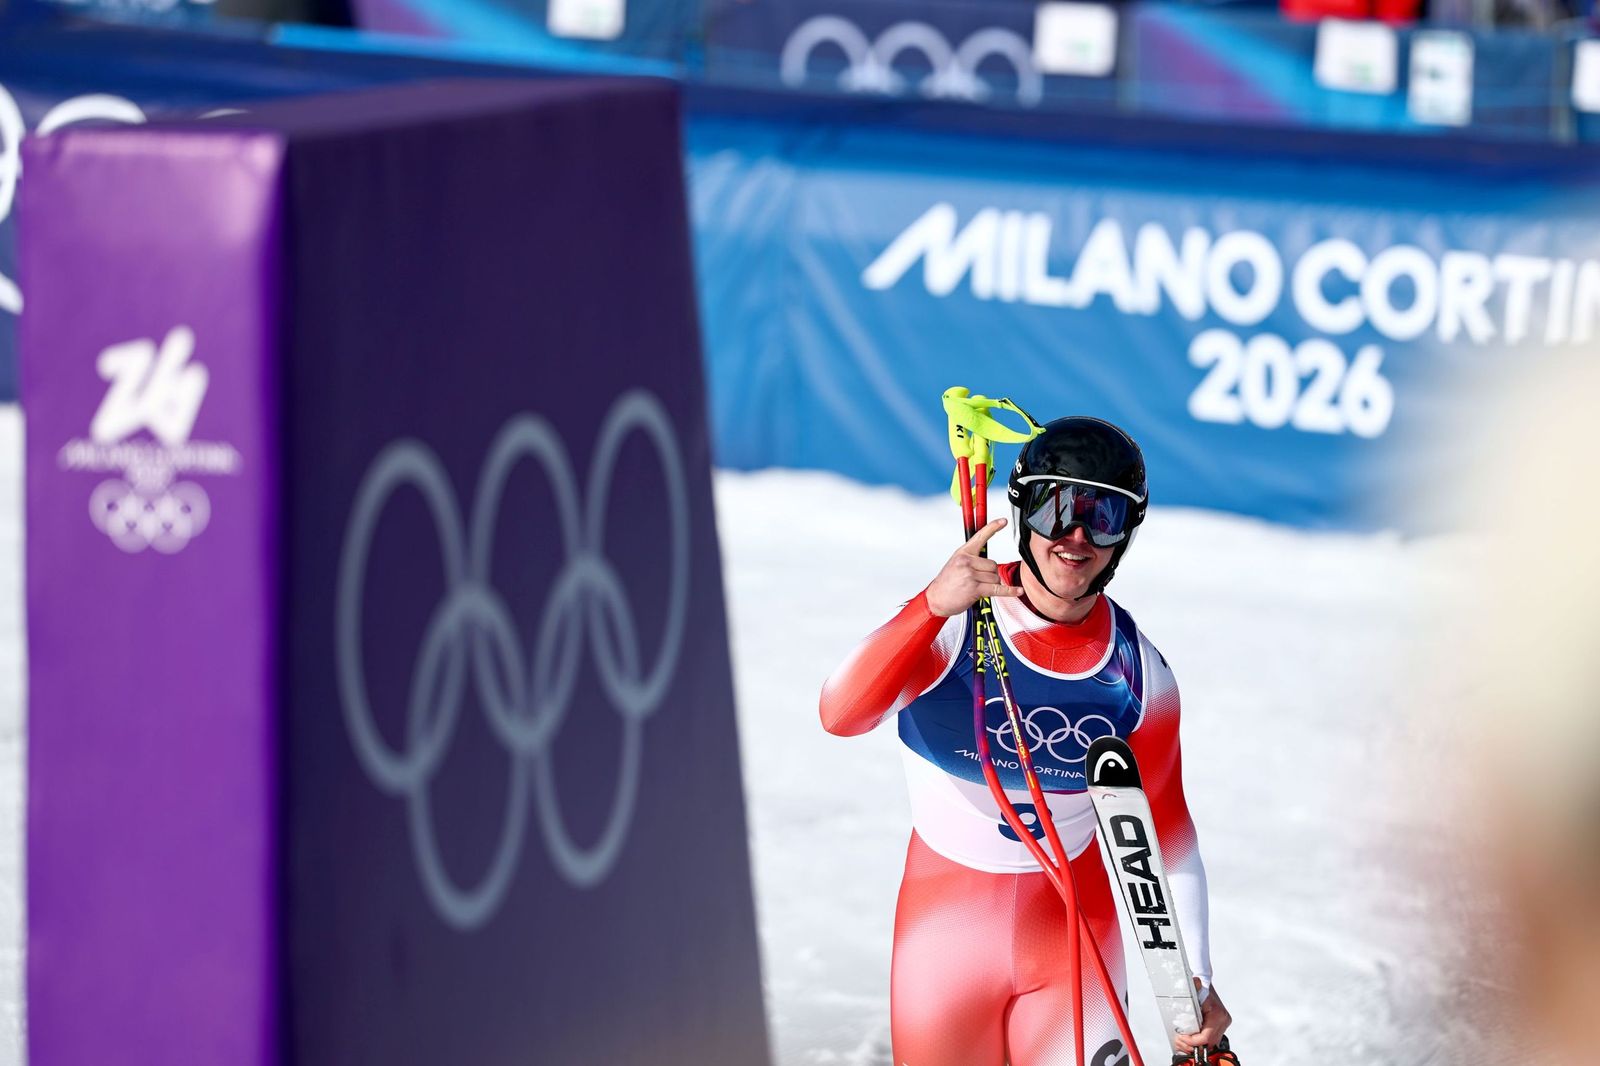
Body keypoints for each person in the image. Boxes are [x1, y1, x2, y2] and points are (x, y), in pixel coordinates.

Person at [819, 416, 1231, 1066]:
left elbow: (1170, 838)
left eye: (1103, 516)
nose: (1075, 536)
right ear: (1022, 513)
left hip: (1071, 938)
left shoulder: (1138, 676)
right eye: (1057, 507)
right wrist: (930, 606)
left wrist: (1195, 985)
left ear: (1127, 535)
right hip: (945, 942)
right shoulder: (953, 626)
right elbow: (840, 714)